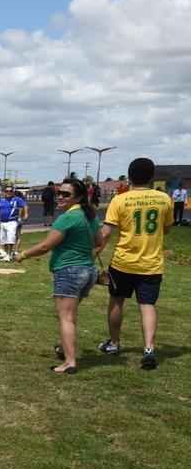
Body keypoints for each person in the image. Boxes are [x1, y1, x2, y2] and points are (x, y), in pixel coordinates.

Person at [96, 157, 174, 370]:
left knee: (117, 301)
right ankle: (149, 348)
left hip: (123, 262)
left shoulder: (120, 200)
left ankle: (114, 343)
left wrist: (94, 249)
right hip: (151, 263)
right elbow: (166, 229)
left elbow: (106, 232)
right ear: (151, 177)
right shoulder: (164, 199)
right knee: (147, 306)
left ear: (129, 176)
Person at [16, 178, 99, 374]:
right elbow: (99, 240)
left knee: (66, 317)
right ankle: (64, 348)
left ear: (78, 197)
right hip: (87, 271)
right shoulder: (90, 216)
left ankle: (70, 361)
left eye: (66, 194)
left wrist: (23, 254)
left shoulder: (67, 218)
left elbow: (46, 246)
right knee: (69, 315)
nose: (60, 197)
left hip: (69, 271)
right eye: (59, 193)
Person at [0, 184, 27, 261]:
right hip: (2, 222)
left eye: (10, 191)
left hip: (12, 221)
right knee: (3, 239)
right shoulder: (1, 200)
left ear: (13, 192)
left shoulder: (17, 199)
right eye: (7, 191)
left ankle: (9, 255)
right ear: (4, 192)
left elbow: (24, 206)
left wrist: (25, 214)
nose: (8, 192)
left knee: (10, 238)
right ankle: (6, 254)